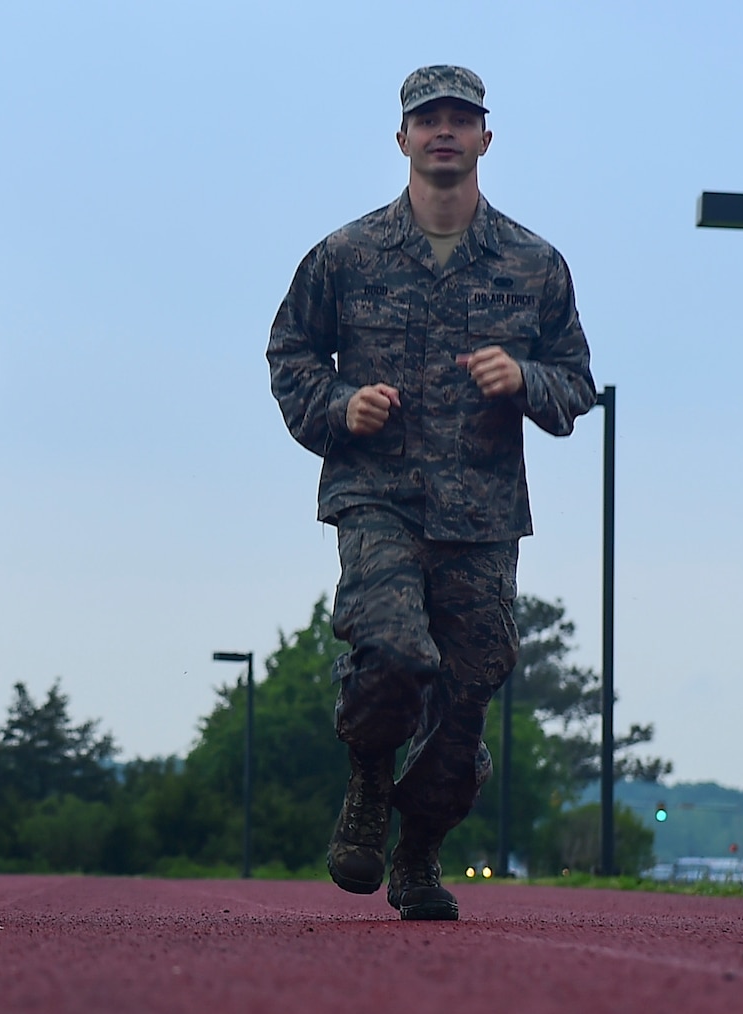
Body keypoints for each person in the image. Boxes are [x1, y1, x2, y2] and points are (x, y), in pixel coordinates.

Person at [266, 67, 594, 920]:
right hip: (377, 498)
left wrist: (525, 377)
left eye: (460, 119)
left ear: (486, 138)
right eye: (427, 119)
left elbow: (575, 386)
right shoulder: (345, 255)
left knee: (467, 700)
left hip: (482, 517)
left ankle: (419, 852)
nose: (443, 131)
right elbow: (290, 356)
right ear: (402, 139)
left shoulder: (534, 263)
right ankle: (369, 785)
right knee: (393, 652)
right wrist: (343, 406)